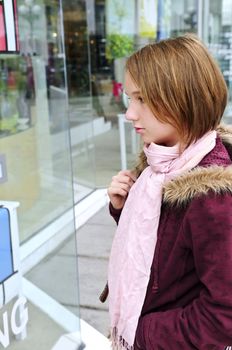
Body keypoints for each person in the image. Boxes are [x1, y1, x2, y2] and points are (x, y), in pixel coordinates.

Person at [100, 33, 232, 349]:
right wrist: (124, 209)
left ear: (182, 98)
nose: (130, 113)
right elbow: (170, 256)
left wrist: (144, 332)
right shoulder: (163, 165)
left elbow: (224, 315)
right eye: (130, 98)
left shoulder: (211, 197)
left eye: (142, 99)